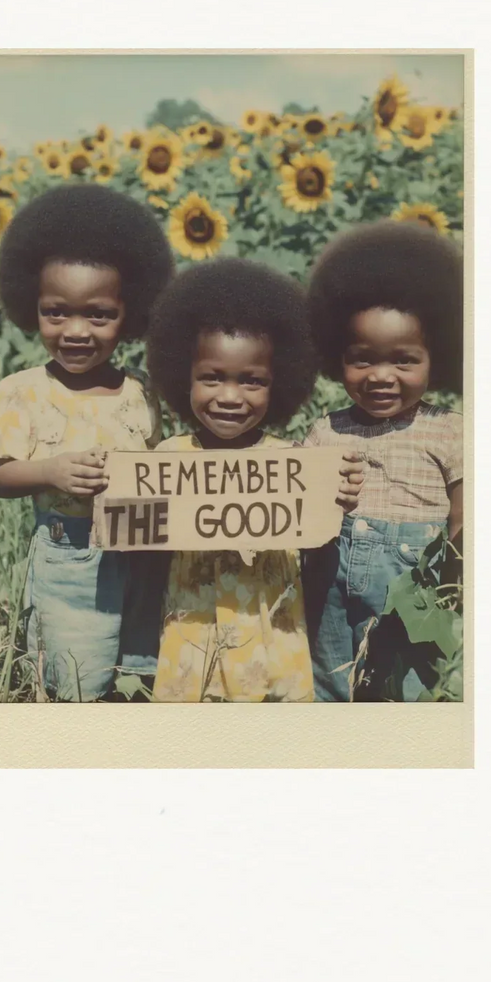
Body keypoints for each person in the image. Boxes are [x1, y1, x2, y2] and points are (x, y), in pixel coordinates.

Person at [143, 260, 363, 703]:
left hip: (271, 639)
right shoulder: (169, 458)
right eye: (211, 378)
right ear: (183, 374)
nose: (229, 397)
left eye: (251, 382)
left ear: (279, 383)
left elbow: (316, 543)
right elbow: (141, 541)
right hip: (192, 637)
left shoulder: (294, 461)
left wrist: (337, 495)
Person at [0, 184, 173, 701]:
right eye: (55, 313)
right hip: (71, 557)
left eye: (98, 315)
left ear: (129, 314)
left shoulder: (140, 389)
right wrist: (50, 471)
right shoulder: (22, 391)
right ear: (32, 306)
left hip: (142, 550)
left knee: (141, 671)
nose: (75, 331)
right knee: (76, 679)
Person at [302, 221, 464, 701]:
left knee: (408, 689)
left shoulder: (450, 428)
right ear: (337, 357)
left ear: (439, 359)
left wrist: (456, 578)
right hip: (330, 587)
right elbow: (295, 507)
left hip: (416, 588)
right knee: (329, 680)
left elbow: (464, 510)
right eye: (363, 359)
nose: (381, 376)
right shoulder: (325, 431)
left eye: (404, 361)